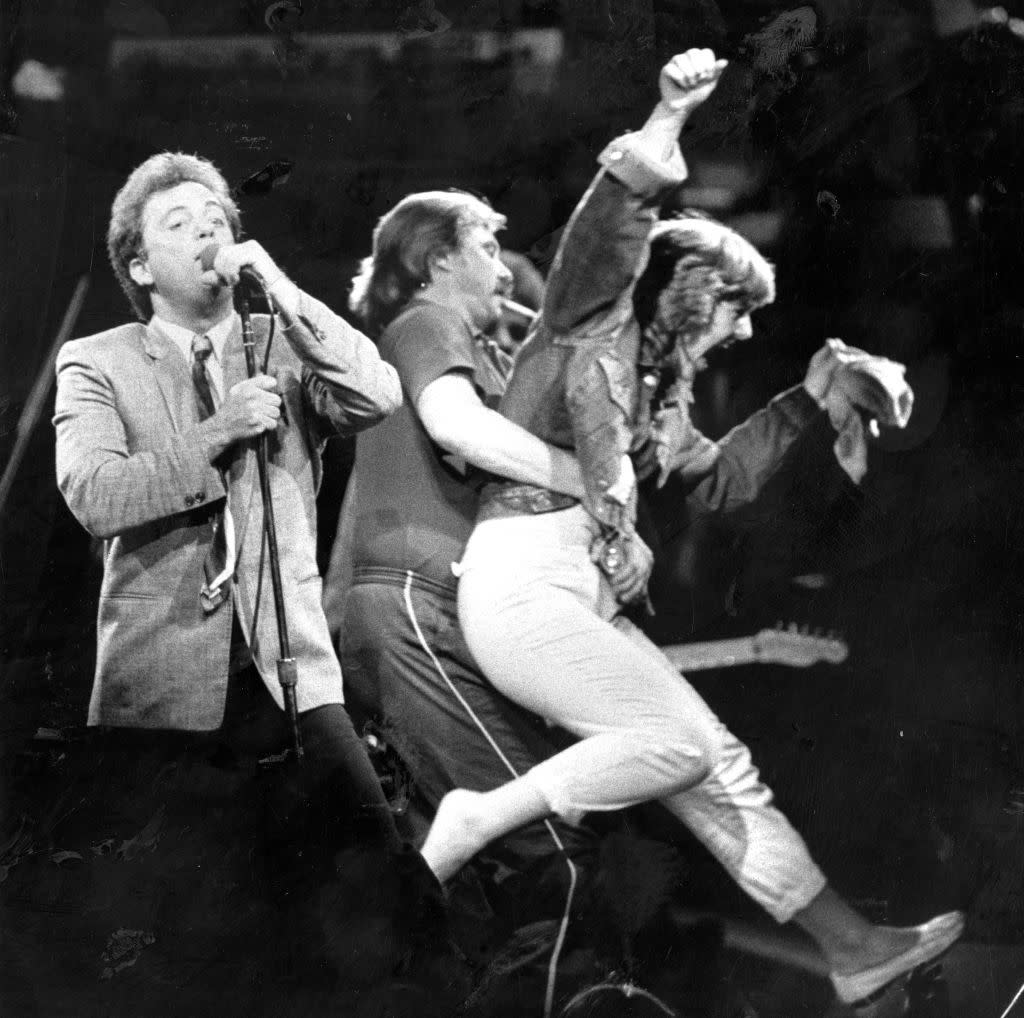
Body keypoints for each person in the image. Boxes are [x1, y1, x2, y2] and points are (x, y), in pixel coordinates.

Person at [419, 49, 964, 1006]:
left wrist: (813, 396)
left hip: (571, 599)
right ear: (687, 292)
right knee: (680, 745)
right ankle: (479, 815)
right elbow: (609, 225)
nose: (745, 332)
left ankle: (851, 949)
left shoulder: (655, 409)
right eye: (736, 309)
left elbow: (719, 481)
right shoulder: (583, 325)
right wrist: (670, 116)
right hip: (519, 588)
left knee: (720, 769)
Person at [54, 151, 404, 853]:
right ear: (142, 267)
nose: (206, 233)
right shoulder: (97, 360)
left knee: (381, 880)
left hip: (293, 674)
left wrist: (278, 287)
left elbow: (377, 393)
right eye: (179, 224)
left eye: (216, 219)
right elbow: (95, 495)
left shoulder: (284, 344)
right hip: (160, 689)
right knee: (175, 923)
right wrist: (220, 430)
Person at [332, 185, 600, 863]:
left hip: (430, 610)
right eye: (487, 247)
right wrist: (586, 479)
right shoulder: (427, 321)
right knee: (544, 845)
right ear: (437, 260)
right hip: (418, 605)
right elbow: (457, 426)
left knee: (467, 856)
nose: (507, 269)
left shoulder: (468, 344)